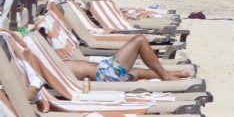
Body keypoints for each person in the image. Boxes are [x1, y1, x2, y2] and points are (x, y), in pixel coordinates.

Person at [62, 34, 191, 82]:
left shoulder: (50, 62)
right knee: (140, 40)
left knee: (136, 71)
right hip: (107, 74)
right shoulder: (49, 67)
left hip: (104, 71)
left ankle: (175, 74)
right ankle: (165, 75)